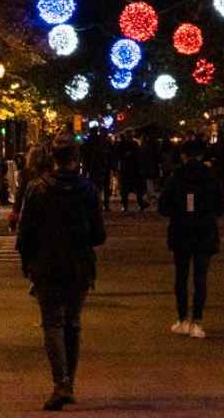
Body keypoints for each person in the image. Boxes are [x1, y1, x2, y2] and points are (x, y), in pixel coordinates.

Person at [18, 143, 107, 411]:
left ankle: (61, 381)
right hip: (78, 266)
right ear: (76, 160)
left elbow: (26, 233)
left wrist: (28, 262)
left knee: (52, 323)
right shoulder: (88, 190)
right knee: (72, 323)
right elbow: (99, 234)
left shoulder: (37, 189)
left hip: (47, 264)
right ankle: (69, 382)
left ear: (53, 159)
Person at [159, 140, 224, 338]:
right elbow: (221, 207)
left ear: (184, 155)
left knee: (181, 276)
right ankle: (197, 320)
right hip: (204, 230)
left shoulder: (176, 177)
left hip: (181, 230)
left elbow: (163, 207)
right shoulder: (211, 177)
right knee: (200, 277)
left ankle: (182, 318)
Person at [118, 134, 148, 212]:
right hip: (131, 169)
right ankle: (139, 204)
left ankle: (128, 206)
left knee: (127, 189)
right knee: (134, 189)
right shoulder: (131, 144)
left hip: (129, 169)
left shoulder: (125, 144)